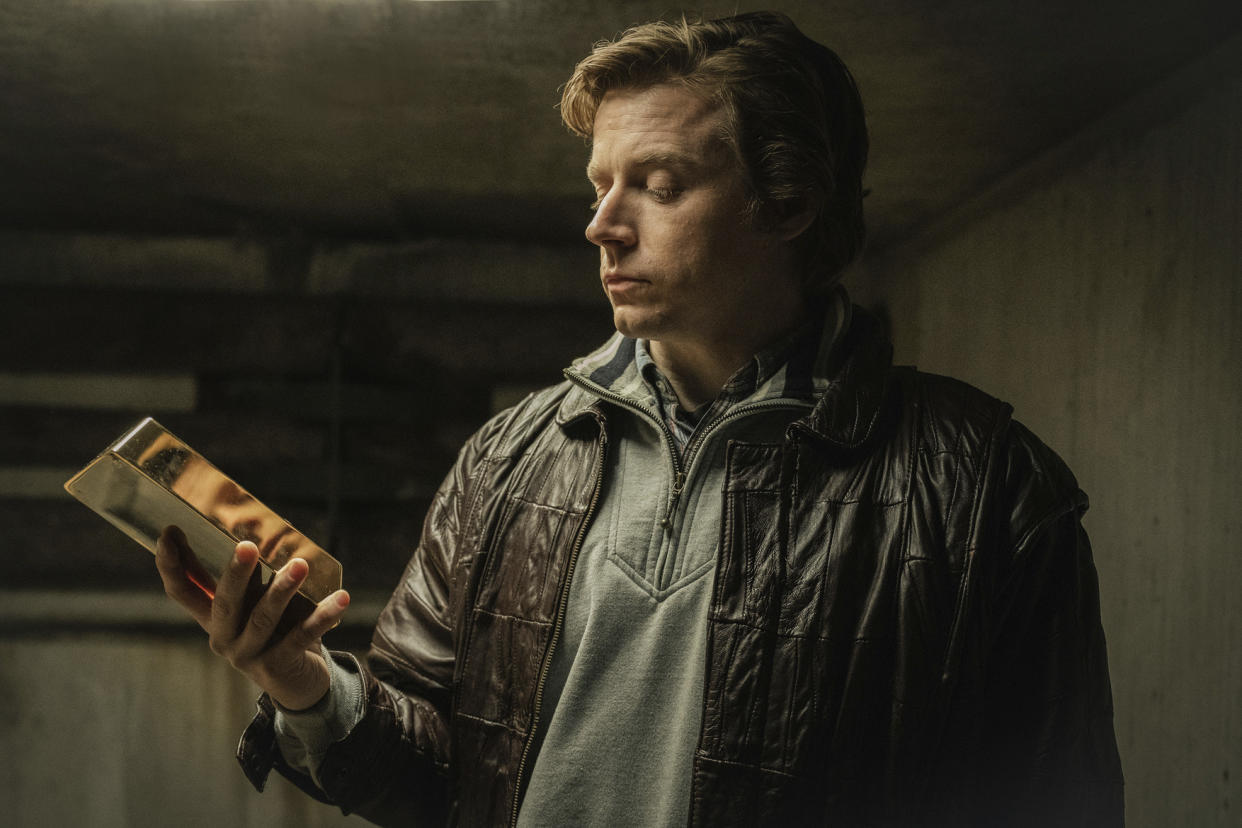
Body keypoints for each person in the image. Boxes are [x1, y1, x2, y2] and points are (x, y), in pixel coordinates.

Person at [154, 11, 1123, 826]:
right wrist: (302, 681)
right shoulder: (511, 458)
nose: (601, 224)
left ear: (786, 202)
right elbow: (431, 766)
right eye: (599, 185)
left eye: (657, 185)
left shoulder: (984, 489)